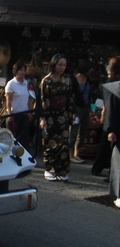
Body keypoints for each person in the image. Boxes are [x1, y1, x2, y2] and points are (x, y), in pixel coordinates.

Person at [39, 53, 76, 181]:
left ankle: (63, 170)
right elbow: (43, 99)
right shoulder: (46, 80)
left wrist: (71, 112)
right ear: (54, 65)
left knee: (64, 143)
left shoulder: (68, 79)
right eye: (60, 65)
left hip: (63, 114)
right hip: (50, 114)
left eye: (64, 65)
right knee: (50, 142)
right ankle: (50, 169)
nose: (62, 68)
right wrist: (42, 118)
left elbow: (71, 97)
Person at [91, 56, 120, 177]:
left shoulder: (113, 83)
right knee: (111, 147)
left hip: (112, 119)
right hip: (113, 120)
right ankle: (108, 172)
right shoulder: (114, 84)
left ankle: (104, 170)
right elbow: (110, 106)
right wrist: (110, 128)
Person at [69, 59, 94, 163]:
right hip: (77, 107)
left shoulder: (88, 78)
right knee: (73, 131)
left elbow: (89, 93)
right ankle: (70, 155)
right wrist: (72, 111)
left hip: (86, 106)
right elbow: (72, 96)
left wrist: (91, 107)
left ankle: (77, 153)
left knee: (82, 131)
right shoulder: (74, 79)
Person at [5, 60, 32, 149]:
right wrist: (10, 114)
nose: (23, 72)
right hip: (15, 113)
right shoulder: (11, 84)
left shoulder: (26, 83)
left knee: (25, 137)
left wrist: (30, 111)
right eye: (21, 70)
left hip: (24, 113)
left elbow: (28, 98)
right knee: (14, 136)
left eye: (24, 70)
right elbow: (8, 100)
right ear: (16, 72)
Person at [103, 79, 120, 208]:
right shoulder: (117, 89)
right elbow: (111, 111)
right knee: (118, 163)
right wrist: (111, 130)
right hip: (118, 130)